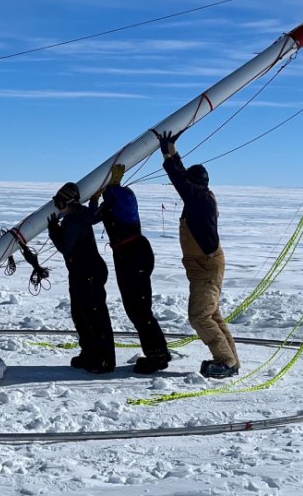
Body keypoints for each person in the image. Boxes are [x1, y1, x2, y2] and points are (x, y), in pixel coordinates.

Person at [154, 130, 239, 378]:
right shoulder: (199, 197)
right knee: (211, 314)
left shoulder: (198, 198)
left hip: (206, 266)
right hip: (204, 266)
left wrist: (167, 152)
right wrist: (171, 149)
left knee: (199, 317)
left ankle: (225, 361)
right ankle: (230, 361)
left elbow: (180, 179)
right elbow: (182, 177)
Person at [89, 164, 171, 374]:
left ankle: (157, 355)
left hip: (135, 255)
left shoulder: (125, 197)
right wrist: (95, 199)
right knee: (134, 308)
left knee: (140, 309)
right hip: (125, 256)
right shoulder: (111, 204)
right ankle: (158, 351)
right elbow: (92, 218)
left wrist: (113, 187)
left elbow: (122, 203)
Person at [47, 181, 116, 374]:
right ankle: (89, 353)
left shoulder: (74, 220)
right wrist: (94, 201)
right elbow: (93, 215)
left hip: (88, 273)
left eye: (59, 202)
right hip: (82, 272)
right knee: (81, 314)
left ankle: (104, 360)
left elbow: (65, 248)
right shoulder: (82, 215)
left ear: (68, 203)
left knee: (94, 316)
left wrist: (54, 231)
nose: (57, 206)